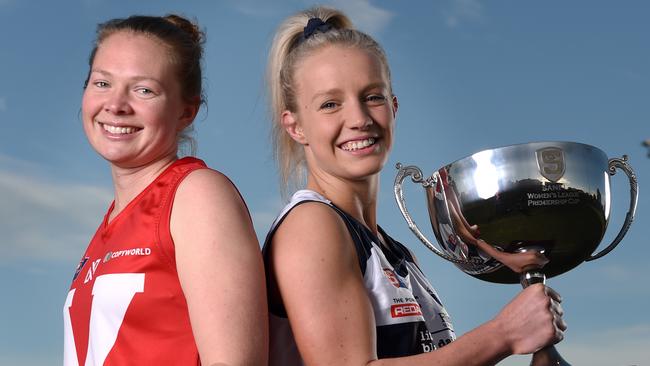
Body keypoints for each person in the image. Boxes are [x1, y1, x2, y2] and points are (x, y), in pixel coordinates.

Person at [263, 6, 565, 365]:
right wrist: (502, 334)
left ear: (393, 107)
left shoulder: (397, 253)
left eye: (372, 97)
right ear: (295, 126)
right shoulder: (312, 226)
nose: (358, 119)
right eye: (330, 104)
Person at [63, 15, 267, 365]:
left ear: (186, 111)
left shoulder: (196, 197)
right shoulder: (112, 222)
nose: (115, 104)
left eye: (144, 90)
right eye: (101, 83)